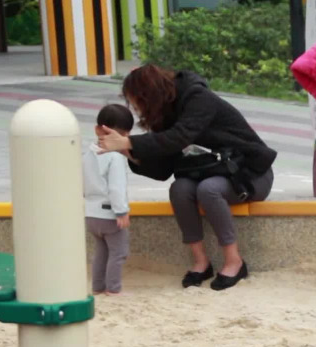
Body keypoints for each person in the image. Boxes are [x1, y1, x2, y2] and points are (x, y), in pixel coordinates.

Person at [96, 64, 277, 291]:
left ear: (148, 95)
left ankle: (234, 262)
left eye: (137, 102)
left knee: (208, 190)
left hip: (250, 174)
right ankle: (201, 262)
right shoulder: (165, 114)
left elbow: (179, 137)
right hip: (213, 172)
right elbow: (163, 169)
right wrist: (128, 151)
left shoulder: (198, 98)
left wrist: (129, 141)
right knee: (179, 189)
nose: (137, 109)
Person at [84, 104, 133, 296]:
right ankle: (113, 288)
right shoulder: (115, 157)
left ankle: (97, 287)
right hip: (110, 214)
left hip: (91, 214)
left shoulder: (88, 154)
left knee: (101, 252)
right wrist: (121, 211)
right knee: (118, 252)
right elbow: (116, 187)